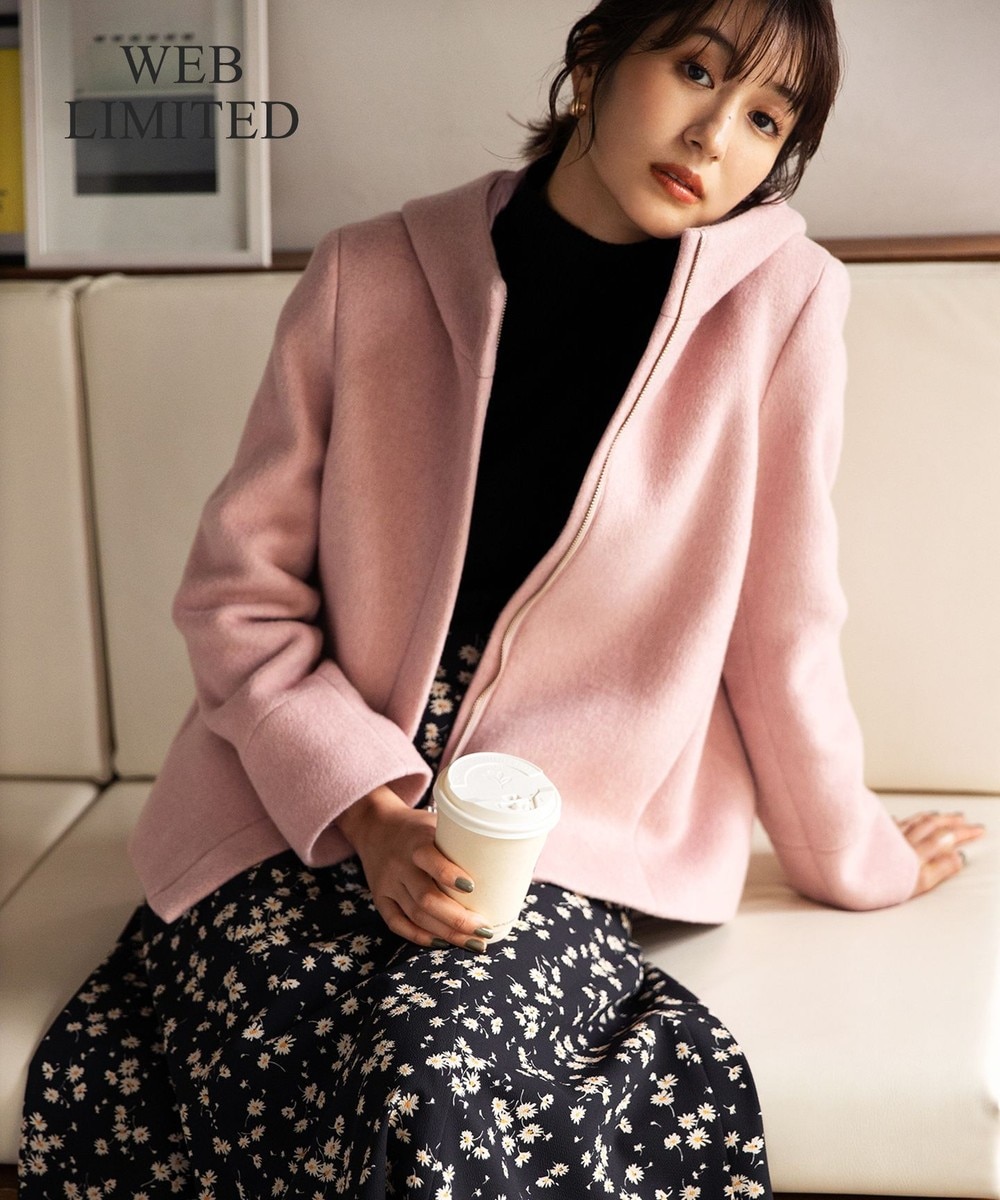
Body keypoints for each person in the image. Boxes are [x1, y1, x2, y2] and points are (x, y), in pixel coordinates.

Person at [19, 1, 985, 1196]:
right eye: (696, 71)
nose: (714, 136)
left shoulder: (780, 307)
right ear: (594, 61)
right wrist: (371, 815)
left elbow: (779, 629)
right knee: (273, 1040)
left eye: (764, 120)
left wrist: (854, 857)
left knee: (426, 1061)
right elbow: (238, 600)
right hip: (302, 792)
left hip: (555, 823)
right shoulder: (368, 273)